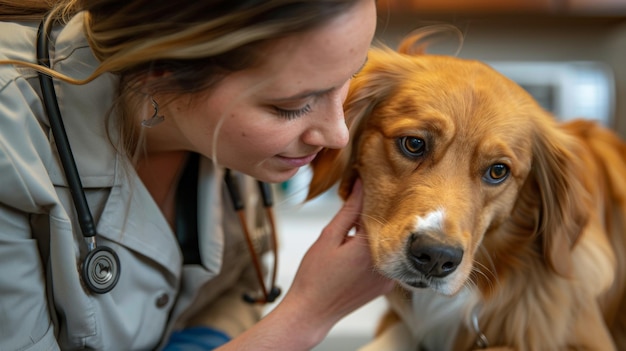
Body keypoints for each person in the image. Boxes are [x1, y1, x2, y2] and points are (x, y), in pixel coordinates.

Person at [0, 0, 394, 350]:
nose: (337, 135)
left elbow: (235, 286)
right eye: (293, 105)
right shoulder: (11, 135)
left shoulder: (230, 138)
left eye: (348, 77)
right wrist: (306, 316)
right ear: (162, 71)